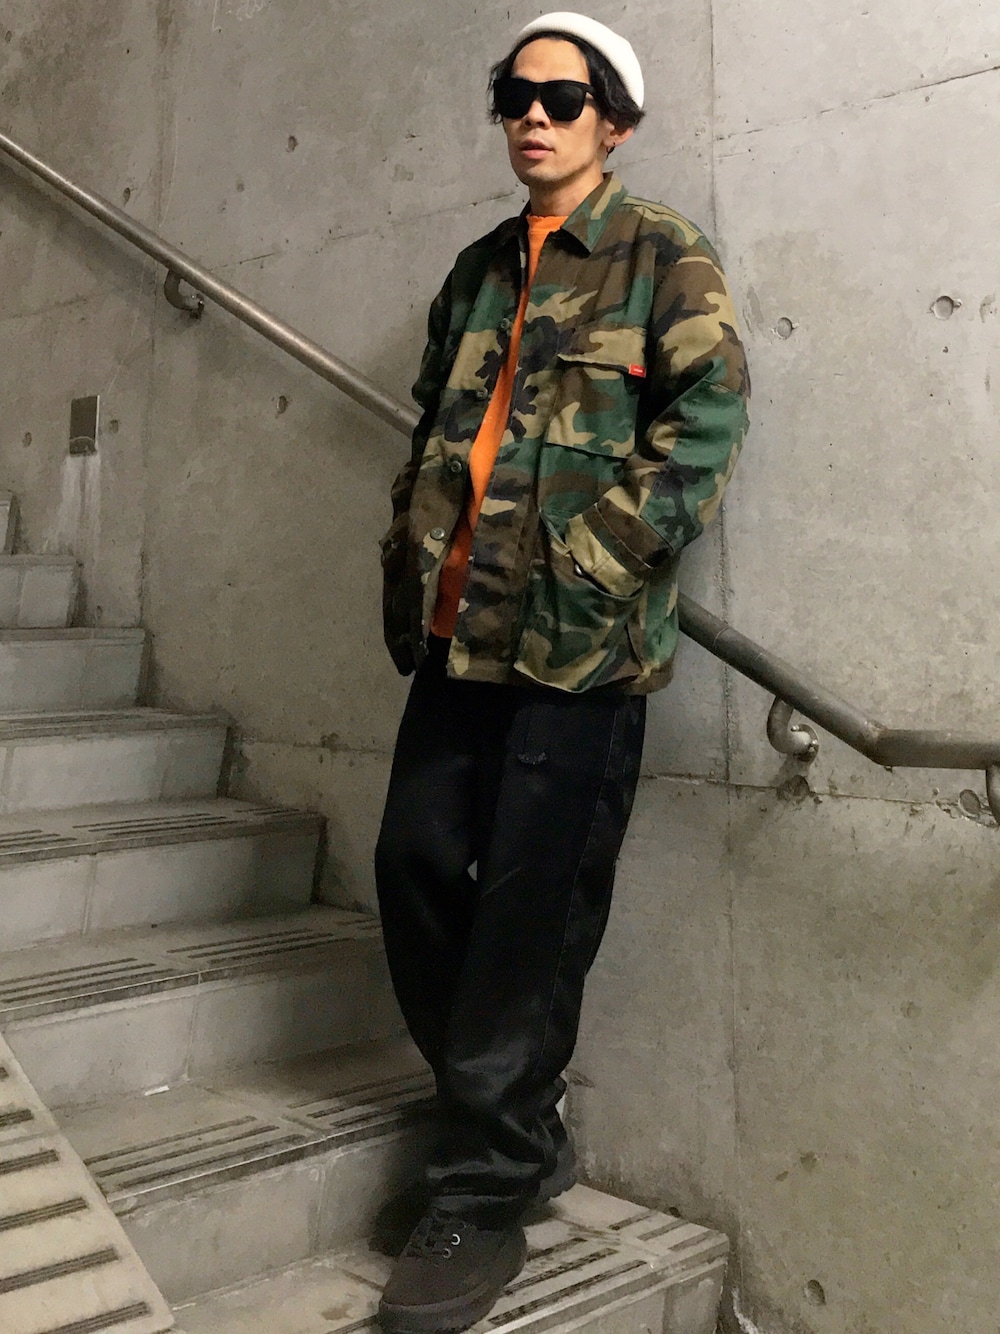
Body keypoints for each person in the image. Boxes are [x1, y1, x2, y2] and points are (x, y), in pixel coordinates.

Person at [374, 12, 750, 1332]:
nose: (532, 115)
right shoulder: (479, 268)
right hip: (458, 638)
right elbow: (434, 425)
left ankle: (483, 1185)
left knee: (529, 923)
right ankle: (516, 1131)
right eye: (514, 93)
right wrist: (407, 548)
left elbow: (707, 423)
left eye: (563, 96)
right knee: (415, 865)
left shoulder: (662, 255)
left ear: (615, 123)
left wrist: (593, 562)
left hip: (578, 656)